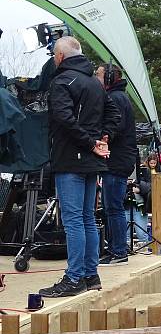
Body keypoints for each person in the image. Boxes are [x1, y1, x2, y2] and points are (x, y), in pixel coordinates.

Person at [39, 37, 121, 298]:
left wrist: (90, 142)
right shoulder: (95, 84)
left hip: (72, 158)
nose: (53, 59)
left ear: (61, 57)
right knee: (87, 218)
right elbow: (114, 114)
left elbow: (63, 118)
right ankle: (90, 274)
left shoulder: (62, 82)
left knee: (74, 220)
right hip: (90, 159)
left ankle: (75, 277)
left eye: (54, 55)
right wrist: (102, 138)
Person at [95, 63, 137, 268]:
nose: (96, 78)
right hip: (118, 160)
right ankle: (115, 249)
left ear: (110, 77)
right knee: (112, 207)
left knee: (114, 207)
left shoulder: (116, 98)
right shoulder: (119, 97)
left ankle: (118, 250)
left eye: (99, 75)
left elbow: (114, 127)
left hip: (117, 161)